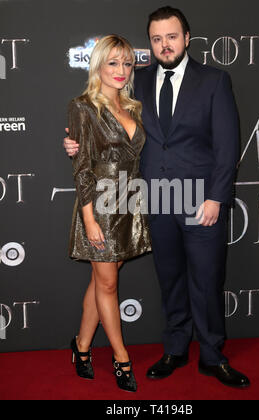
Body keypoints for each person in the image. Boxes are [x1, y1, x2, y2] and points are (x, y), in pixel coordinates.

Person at [65, 7, 250, 389]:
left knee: (207, 281)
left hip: (201, 201)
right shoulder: (136, 81)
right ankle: (176, 349)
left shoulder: (214, 81)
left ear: (186, 38)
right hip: (154, 201)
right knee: (171, 281)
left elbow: (228, 147)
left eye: (172, 36)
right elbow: (103, 121)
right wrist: (74, 142)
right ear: (150, 43)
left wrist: (216, 197)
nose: (165, 44)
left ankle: (213, 357)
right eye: (156, 39)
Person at [68, 34, 151, 393]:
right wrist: (88, 219)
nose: (120, 70)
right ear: (98, 66)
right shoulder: (83, 106)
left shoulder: (134, 106)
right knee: (108, 284)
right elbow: (83, 167)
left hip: (130, 202)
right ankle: (121, 359)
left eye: (127, 63)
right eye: (112, 62)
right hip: (99, 205)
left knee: (102, 280)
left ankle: (81, 347)